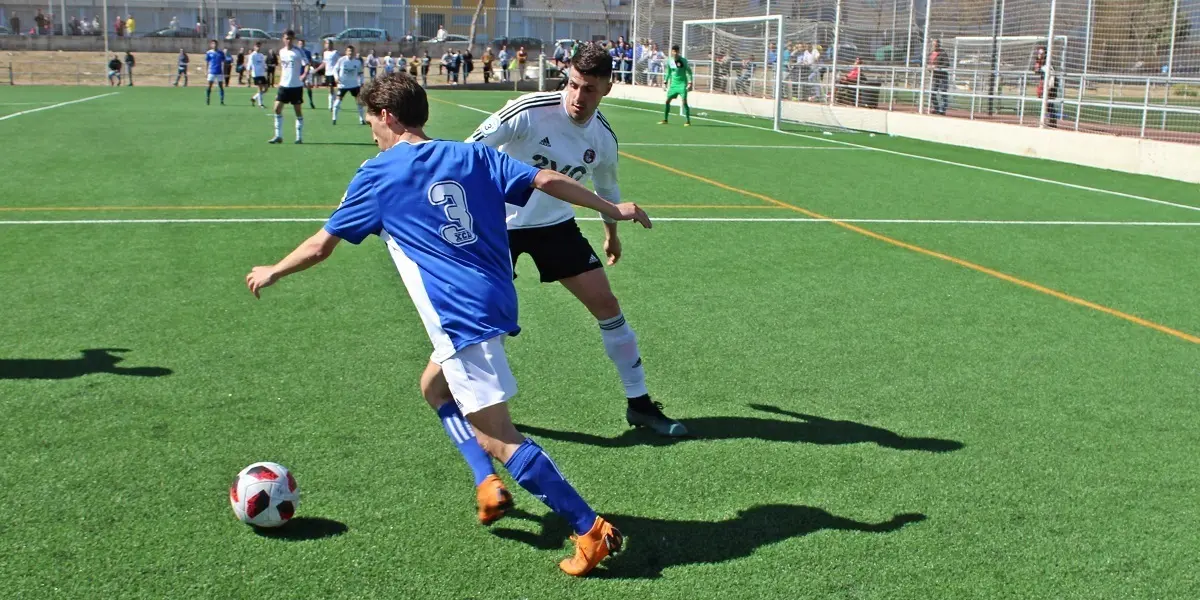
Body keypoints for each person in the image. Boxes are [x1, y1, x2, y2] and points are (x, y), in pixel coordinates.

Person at [246, 72, 640, 576]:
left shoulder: (377, 173)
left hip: (459, 316)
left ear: (387, 116)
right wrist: (611, 208)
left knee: (499, 437)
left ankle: (588, 528)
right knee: (433, 388)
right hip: (496, 300)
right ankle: (485, 480)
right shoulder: (472, 155)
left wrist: (273, 270)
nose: (371, 130)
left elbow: (322, 246)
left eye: (370, 119)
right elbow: (543, 179)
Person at [459, 42, 687, 453]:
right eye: (575, 85)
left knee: (608, 305)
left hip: (554, 226)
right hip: (498, 228)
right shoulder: (527, 110)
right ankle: (467, 402)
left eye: (590, 90)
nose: (579, 98)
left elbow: (608, 189)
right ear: (567, 77)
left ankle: (639, 403)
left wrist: (611, 233)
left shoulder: (603, 138)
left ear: (608, 90)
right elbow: (467, 152)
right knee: (486, 322)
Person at [268, 30, 308, 144]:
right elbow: (283, 67)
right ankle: (278, 136)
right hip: (284, 85)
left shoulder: (298, 51)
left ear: (293, 39)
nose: (288, 41)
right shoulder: (281, 52)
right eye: (286, 38)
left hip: (296, 86)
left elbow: (307, 64)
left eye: (290, 38)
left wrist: (304, 74)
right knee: (276, 109)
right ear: (283, 39)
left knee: (298, 111)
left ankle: (299, 137)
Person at [331, 45, 365, 125]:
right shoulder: (341, 60)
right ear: (346, 52)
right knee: (337, 102)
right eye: (349, 51)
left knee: (359, 102)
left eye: (352, 51)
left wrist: (362, 82)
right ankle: (334, 119)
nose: (350, 52)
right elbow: (335, 70)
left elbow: (361, 73)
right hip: (343, 85)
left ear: (354, 52)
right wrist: (336, 78)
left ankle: (361, 119)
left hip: (354, 85)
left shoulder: (357, 62)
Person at [660, 44, 692, 126]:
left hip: (682, 84)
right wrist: (665, 82)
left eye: (676, 51)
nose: (675, 53)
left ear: (678, 51)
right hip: (673, 85)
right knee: (667, 101)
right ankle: (665, 119)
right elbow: (668, 72)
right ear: (671, 51)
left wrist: (690, 82)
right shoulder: (670, 61)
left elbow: (689, 72)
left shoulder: (683, 61)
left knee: (684, 102)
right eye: (673, 51)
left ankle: (688, 121)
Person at [928, 39, 949, 116]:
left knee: (943, 93)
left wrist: (937, 66)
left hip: (942, 76)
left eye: (936, 45)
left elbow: (947, 64)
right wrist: (929, 67)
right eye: (933, 45)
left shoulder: (942, 53)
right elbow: (928, 62)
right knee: (932, 93)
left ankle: (942, 110)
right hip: (934, 76)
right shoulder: (930, 53)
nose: (934, 46)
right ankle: (936, 108)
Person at [204, 40, 226, 105]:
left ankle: (222, 100)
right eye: (213, 44)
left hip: (219, 71)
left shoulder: (221, 53)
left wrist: (224, 71)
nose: (214, 45)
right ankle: (208, 98)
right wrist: (206, 71)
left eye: (216, 44)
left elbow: (223, 62)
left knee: (221, 86)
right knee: (209, 86)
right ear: (211, 45)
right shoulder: (209, 53)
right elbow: (207, 62)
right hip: (211, 71)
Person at [320, 39, 340, 110]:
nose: (327, 45)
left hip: (333, 73)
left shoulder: (335, 52)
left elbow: (339, 62)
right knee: (330, 89)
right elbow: (324, 63)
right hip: (327, 73)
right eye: (326, 44)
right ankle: (334, 103)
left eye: (328, 43)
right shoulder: (325, 53)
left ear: (331, 44)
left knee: (332, 87)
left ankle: (331, 105)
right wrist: (317, 69)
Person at [248, 41, 269, 107]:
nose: (258, 48)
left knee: (266, 89)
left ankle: (254, 98)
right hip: (256, 74)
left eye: (259, 46)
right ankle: (260, 104)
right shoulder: (252, 55)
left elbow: (263, 63)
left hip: (262, 74)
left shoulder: (261, 55)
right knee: (259, 88)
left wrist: (265, 67)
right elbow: (249, 65)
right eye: (257, 46)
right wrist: (248, 74)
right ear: (254, 47)